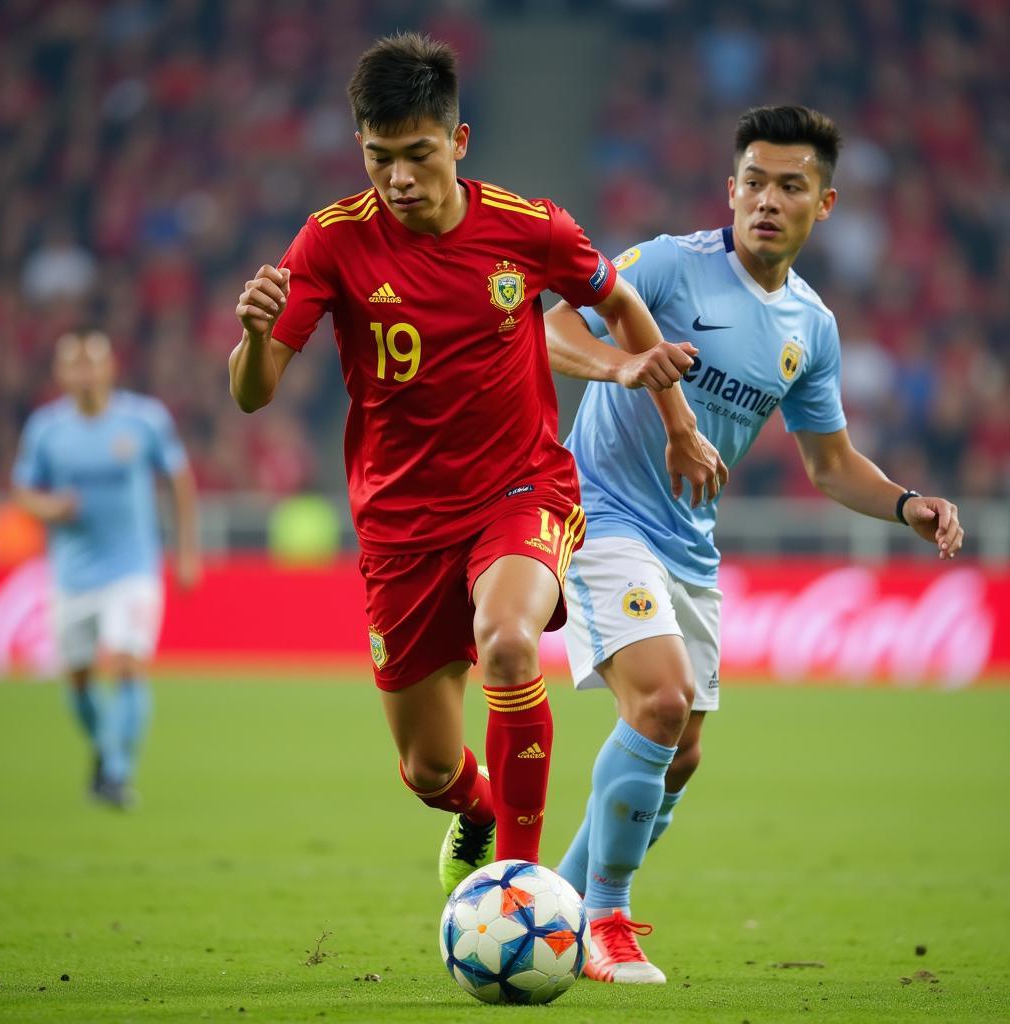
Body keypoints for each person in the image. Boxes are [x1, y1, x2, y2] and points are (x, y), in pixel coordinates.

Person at [228, 32, 725, 894]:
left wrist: (675, 420)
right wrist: (251, 336)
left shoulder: (531, 229)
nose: (400, 179)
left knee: (506, 642)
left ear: (457, 142)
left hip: (519, 488)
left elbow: (619, 302)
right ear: (362, 148)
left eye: (418, 154)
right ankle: (480, 810)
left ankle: (518, 890)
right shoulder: (332, 242)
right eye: (381, 158)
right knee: (426, 768)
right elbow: (253, 394)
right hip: (399, 526)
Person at [544, 105, 964, 983]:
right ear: (730, 190)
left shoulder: (810, 328)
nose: (768, 200)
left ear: (826, 204)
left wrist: (906, 504)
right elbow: (552, 328)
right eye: (755, 183)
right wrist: (624, 364)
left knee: (680, 752)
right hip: (601, 511)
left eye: (791, 186)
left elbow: (830, 461)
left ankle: (552, 911)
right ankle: (606, 922)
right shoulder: (666, 265)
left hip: (690, 547)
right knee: (659, 705)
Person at [12, 330, 200, 807]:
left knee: (124, 664)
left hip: (133, 569)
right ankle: (103, 748)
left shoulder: (142, 421)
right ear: (60, 374)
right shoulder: (47, 429)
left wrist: (186, 550)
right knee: (77, 683)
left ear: (110, 367)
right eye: (74, 365)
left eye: (92, 363)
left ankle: (116, 773)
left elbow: (179, 481)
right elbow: (23, 492)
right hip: (72, 577)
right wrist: (50, 508)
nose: (84, 373)